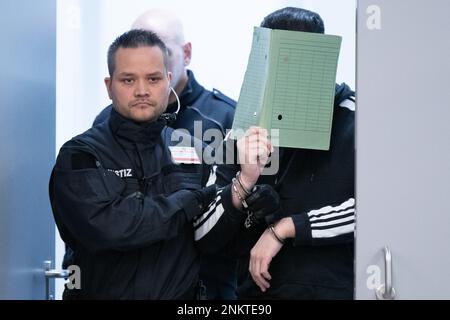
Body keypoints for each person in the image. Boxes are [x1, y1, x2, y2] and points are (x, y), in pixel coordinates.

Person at [49, 29, 271, 299]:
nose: (142, 90)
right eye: (128, 80)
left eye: (153, 79)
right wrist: (190, 201)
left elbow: (210, 240)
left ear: (167, 81)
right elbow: (113, 228)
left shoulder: (193, 148)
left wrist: (243, 191)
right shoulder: (80, 154)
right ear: (109, 86)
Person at [194, 7, 356, 299]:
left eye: (299, 60)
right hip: (258, 296)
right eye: (277, 60)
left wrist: (288, 227)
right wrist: (243, 181)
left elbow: (382, 211)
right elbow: (203, 233)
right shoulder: (245, 127)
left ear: (320, 59)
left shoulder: (357, 119)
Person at [91, 9, 238, 300]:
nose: (148, 56)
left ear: (186, 53)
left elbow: (238, 213)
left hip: (208, 287)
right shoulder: (105, 122)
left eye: (160, 48)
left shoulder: (224, 117)